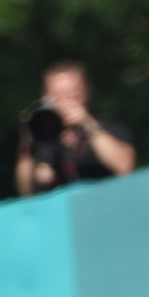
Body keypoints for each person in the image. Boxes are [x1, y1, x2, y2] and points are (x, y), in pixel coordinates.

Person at [15, 61, 137, 196]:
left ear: (86, 91)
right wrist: (27, 140)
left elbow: (125, 168)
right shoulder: (42, 140)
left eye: (73, 95)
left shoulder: (109, 128)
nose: (65, 102)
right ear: (45, 97)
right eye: (57, 97)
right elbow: (26, 191)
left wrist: (88, 124)